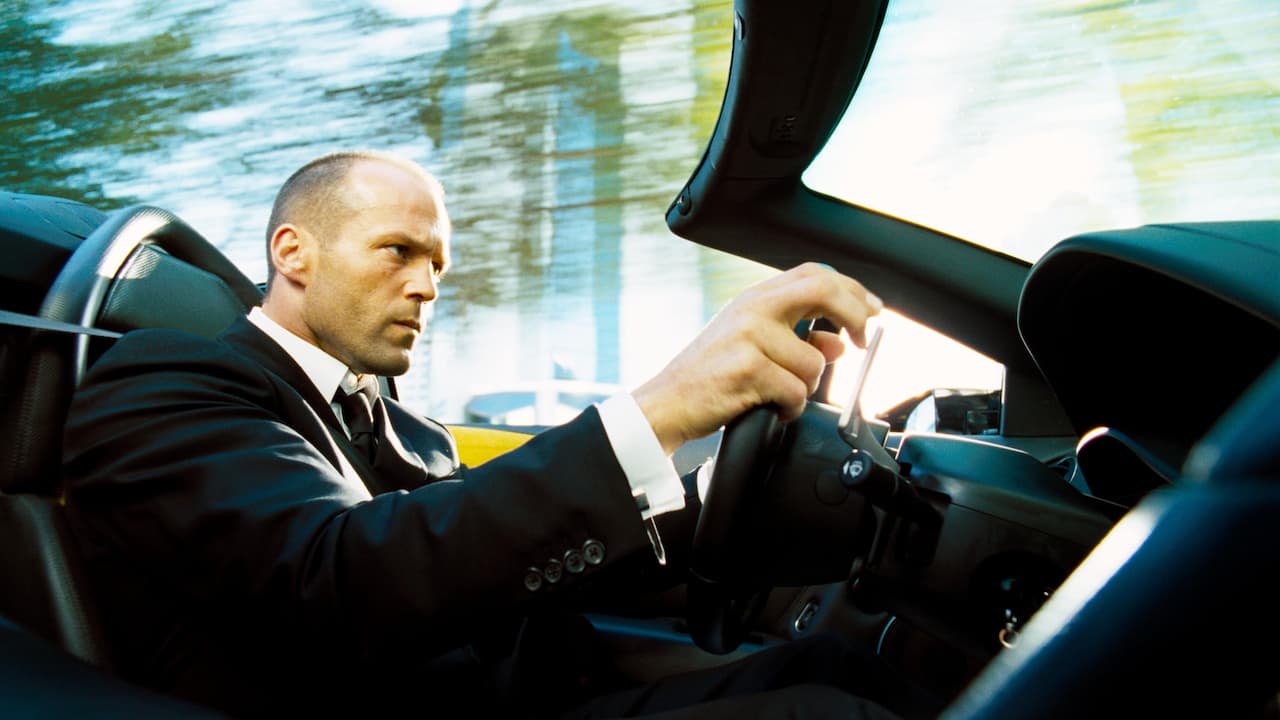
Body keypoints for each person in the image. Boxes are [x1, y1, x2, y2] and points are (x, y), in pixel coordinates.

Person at [61, 150, 934, 719]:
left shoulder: (407, 428)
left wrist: (708, 494)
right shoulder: (166, 383)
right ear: (293, 253)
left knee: (836, 667)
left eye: (437, 264)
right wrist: (661, 408)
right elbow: (343, 577)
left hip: (522, 695)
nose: (426, 287)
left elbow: (488, 552)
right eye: (398, 252)